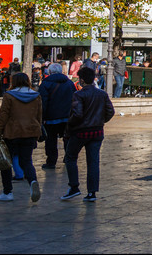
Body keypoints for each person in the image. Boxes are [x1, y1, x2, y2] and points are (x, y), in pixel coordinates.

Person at [62, 67, 114, 201]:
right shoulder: (102, 94)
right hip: (97, 131)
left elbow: (77, 114)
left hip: (81, 131)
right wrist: (101, 121)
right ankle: (92, 192)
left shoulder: (79, 95)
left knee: (70, 157)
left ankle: (74, 187)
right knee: (93, 161)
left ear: (82, 80)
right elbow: (110, 111)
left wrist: (70, 126)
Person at [0, 71, 43, 202]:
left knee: (6, 162)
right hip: (31, 131)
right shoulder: (36, 96)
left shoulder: (9, 96)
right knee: (26, 161)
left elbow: (3, 116)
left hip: (12, 132)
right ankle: (32, 181)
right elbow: (39, 116)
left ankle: (7, 192)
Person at [38, 63, 73, 170]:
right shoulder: (69, 83)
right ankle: (68, 158)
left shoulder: (45, 84)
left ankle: (51, 161)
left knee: (51, 140)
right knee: (67, 138)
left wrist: (41, 117)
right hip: (67, 116)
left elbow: (42, 102)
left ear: (49, 72)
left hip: (51, 118)